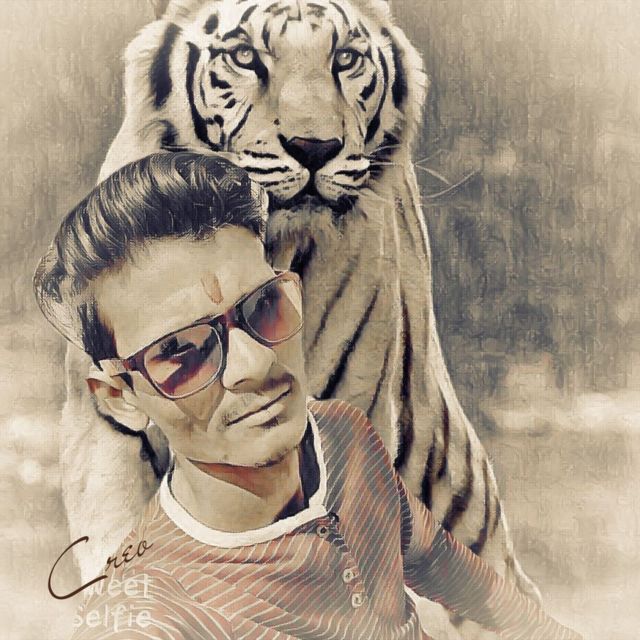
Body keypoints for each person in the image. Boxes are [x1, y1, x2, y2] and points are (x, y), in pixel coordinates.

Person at [35, 152, 582, 640]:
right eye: (182, 352)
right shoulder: (149, 622)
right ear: (119, 399)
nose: (254, 364)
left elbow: (449, 570)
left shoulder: (341, 437)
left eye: (264, 306)